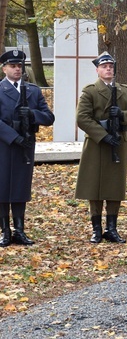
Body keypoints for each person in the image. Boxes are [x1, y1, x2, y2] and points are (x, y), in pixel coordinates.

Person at [75, 52, 127, 244]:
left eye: (111, 66)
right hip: (97, 144)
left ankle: (112, 228)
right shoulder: (90, 91)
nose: (108, 69)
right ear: (98, 70)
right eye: (104, 66)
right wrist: (103, 136)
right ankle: (96, 229)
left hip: (118, 142)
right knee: (94, 187)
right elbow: (82, 118)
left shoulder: (125, 91)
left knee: (114, 186)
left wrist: (121, 114)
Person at [0, 50, 55, 247]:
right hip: (5, 145)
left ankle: (20, 230)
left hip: (26, 143)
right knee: (3, 186)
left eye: (19, 66)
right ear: (4, 68)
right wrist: (13, 137)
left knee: (21, 187)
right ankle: (5, 231)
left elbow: (49, 117)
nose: (17, 69)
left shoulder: (33, 90)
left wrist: (32, 114)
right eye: (12, 66)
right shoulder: (0, 89)